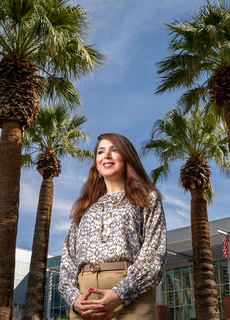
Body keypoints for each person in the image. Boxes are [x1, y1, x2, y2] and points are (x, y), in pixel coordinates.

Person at [58, 133, 167, 320]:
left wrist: (120, 294)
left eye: (114, 150)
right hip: (85, 302)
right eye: (101, 151)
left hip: (131, 299)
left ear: (127, 157)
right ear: (96, 162)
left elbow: (154, 255)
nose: (106, 155)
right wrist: (74, 299)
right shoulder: (83, 208)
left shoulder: (148, 199)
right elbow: (68, 259)